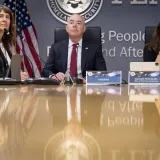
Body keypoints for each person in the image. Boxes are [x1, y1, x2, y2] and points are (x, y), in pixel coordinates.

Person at [42, 14, 106, 82]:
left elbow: (102, 72)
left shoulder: (94, 48)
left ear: (84, 29)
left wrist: (88, 79)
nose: (74, 25)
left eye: (78, 23)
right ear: (67, 28)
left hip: (84, 87)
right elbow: (46, 70)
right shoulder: (56, 48)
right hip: (62, 88)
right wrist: (53, 76)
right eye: (71, 22)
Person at [0, 5, 28, 80]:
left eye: (7, 17)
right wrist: (14, 77)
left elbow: (5, 70)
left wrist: (17, 73)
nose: (4, 20)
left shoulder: (5, 45)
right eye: (1, 16)